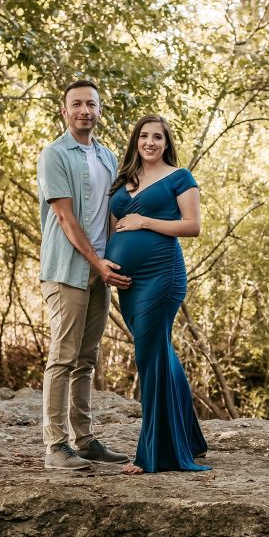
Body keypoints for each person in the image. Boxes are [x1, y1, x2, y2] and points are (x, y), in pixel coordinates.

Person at [106, 114, 211, 474]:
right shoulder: (125, 180)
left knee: (149, 357)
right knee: (160, 352)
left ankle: (152, 453)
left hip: (162, 277)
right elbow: (112, 226)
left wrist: (145, 222)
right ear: (136, 140)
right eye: (144, 136)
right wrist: (105, 265)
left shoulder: (180, 178)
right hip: (128, 282)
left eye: (158, 137)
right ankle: (190, 440)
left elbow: (192, 226)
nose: (150, 142)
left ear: (167, 143)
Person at [37, 78, 131, 470]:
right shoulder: (54, 155)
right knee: (63, 356)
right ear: (65, 110)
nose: (84, 111)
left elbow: (112, 215)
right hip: (68, 270)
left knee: (87, 359)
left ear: (99, 110)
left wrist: (115, 257)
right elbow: (65, 216)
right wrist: (97, 261)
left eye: (91, 104)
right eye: (76, 104)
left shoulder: (109, 157)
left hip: (100, 269)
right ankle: (56, 446)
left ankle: (84, 438)